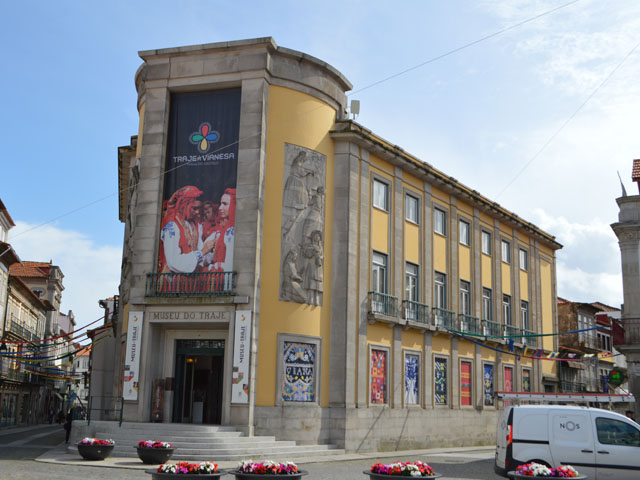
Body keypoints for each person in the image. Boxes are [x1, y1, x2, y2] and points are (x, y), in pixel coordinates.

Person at [158, 186, 215, 274]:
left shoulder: (193, 224)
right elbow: (173, 261)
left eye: (199, 208)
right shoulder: (171, 225)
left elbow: (200, 257)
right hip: (173, 279)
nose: (197, 212)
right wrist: (202, 252)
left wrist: (214, 253)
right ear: (184, 205)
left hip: (191, 279)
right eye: (194, 208)